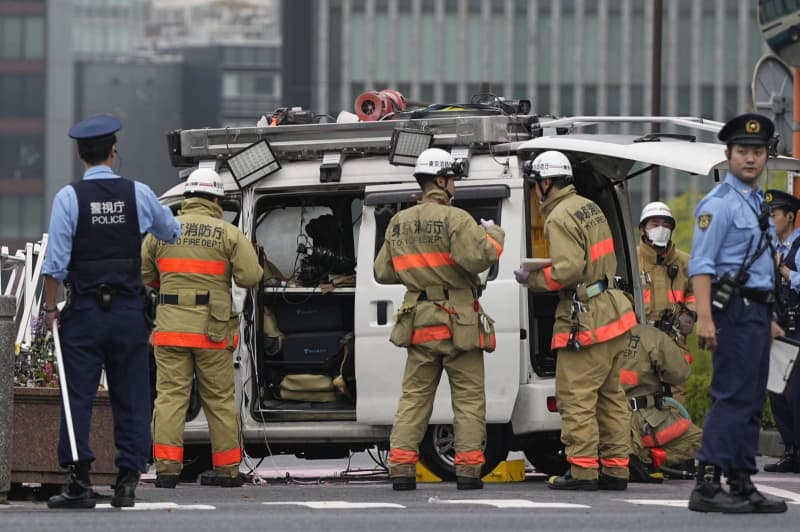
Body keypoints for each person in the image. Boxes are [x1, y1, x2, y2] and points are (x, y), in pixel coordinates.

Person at [41, 114, 181, 509]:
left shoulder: (68, 198)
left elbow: (54, 265)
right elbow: (171, 232)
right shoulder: (138, 193)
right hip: (127, 313)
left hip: (84, 313)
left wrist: (50, 309)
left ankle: (79, 481)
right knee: (132, 395)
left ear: (80, 155)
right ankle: (127, 482)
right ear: (113, 151)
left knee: (77, 396)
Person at [374, 147, 505, 491]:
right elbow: (480, 258)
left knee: (414, 398)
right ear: (443, 181)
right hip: (458, 322)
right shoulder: (457, 219)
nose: (455, 187)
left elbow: (383, 272)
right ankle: (468, 472)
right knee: (468, 399)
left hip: (419, 322)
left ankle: (401, 468)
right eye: (453, 180)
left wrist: (418, 270)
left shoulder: (398, 222)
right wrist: (494, 235)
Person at [513, 150, 637, 491]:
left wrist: (531, 280)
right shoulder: (589, 206)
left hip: (587, 318)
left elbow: (567, 271)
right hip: (613, 311)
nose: (537, 190)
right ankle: (615, 470)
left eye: (537, 183)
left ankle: (582, 471)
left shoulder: (558, 216)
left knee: (576, 396)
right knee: (611, 397)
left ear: (547, 182)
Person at [687, 113, 787, 513]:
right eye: (743, 151)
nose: (751, 159)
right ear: (727, 154)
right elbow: (702, 265)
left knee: (749, 398)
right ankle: (707, 484)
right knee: (730, 397)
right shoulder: (720, 205)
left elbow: (760, 264)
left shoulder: (757, 202)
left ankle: (742, 481)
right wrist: (705, 317)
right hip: (731, 311)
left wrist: (769, 317)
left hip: (756, 311)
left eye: (758, 152)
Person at [142, 168, 263, 488]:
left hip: (170, 328)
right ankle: (227, 471)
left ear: (187, 197)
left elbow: (145, 276)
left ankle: (167, 469)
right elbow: (250, 278)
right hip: (212, 329)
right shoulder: (228, 234)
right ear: (216, 200)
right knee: (220, 400)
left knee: (169, 398)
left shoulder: (160, 231)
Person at [622, 323, 702, 482]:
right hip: (643, 418)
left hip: (603, 417)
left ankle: (627, 457)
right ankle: (645, 459)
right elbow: (679, 373)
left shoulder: (592, 335)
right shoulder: (651, 336)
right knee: (699, 440)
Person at [764, 189, 800, 473]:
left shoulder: (798, 246)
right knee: (777, 391)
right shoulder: (772, 247)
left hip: (798, 328)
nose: (770, 219)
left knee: (796, 393)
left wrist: (784, 272)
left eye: (774, 214)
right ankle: (791, 450)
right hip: (778, 327)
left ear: (789, 216)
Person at [638, 203, 696, 351]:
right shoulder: (631, 259)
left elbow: (697, 292)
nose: (661, 229)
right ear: (642, 230)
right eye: (654, 224)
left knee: (676, 373)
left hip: (673, 339)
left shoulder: (685, 262)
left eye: (666, 225)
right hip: (638, 339)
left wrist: (690, 313)